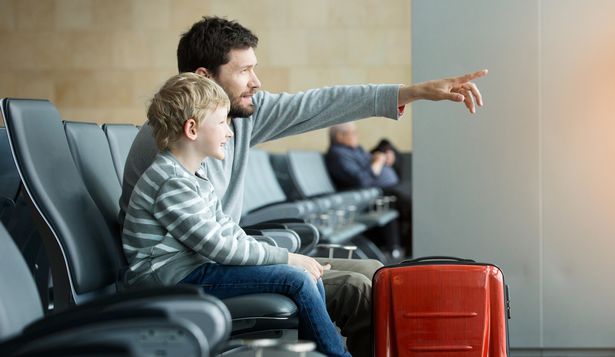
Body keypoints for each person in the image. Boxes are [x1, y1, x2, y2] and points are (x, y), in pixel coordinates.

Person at [119, 16, 487, 357]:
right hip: (198, 271)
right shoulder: (170, 149)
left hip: (222, 259)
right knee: (358, 288)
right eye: (245, 70)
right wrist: (287, 257)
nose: (256, 82)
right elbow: (208, 246)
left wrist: (413, 92)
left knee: (373, 270)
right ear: (206, 78)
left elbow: (319, 104)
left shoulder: (232, 119)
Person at [122, 72, 350, 356]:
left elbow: (227, 231)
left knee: (305, 275)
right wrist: (288, 257)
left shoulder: (194, 174)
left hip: (191, 270)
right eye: (221, 123)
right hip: (168, 281)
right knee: (298, 278)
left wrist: (289, 259)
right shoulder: (172, 182)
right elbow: (219, 248)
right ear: (192, 129)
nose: (230, 132)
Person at [325, 122, 413, 257]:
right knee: (414, 204)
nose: (357, 136)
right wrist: (378, 162)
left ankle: (401, 249)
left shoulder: (355, 149)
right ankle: (407, 251)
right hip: (376, 193)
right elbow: (362, 180)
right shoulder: (338, 154)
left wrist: (382, 156)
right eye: (353, 132)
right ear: (340, 136)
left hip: (388, 188)